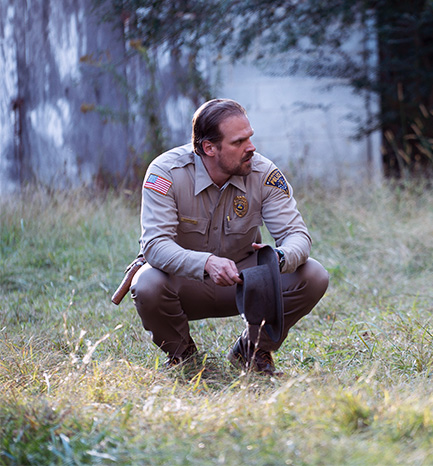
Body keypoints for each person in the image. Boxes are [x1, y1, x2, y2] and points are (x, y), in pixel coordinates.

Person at [130, 98, 329, 375]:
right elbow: (155, 245)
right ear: (209, 148)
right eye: (238, 142)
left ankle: (253, 351)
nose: (251, 147)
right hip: (187, 281)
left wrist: (279, 258)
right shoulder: (166, 172)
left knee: (314, 275)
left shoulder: (263, 173)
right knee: (147, 283)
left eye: (250, 137)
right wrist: (206, 263)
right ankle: (183, 357)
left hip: (246, 282)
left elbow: (296, 235)